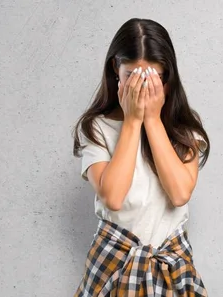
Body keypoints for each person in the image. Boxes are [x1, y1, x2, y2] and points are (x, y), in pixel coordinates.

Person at [71, 18, 210, 296]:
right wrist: (133, 121)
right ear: (115, 70)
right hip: (114, 261)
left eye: (152, 79)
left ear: (168, 79)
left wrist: (153, 120)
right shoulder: (96, 127)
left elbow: (181, 193)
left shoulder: (184, 129)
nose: (142, 88)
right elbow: (113, 197)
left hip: (171, 259)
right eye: (132, 77)